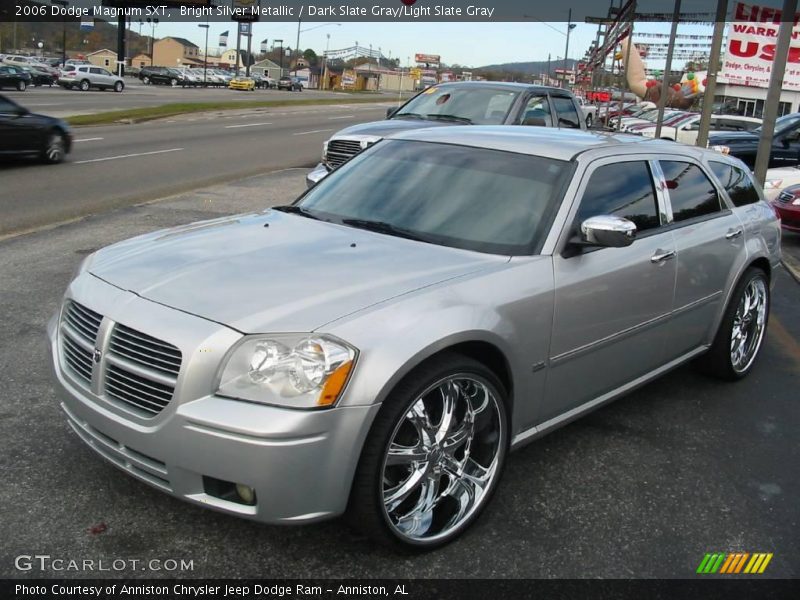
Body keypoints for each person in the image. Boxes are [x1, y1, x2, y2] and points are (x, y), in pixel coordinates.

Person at [619, 37, 699, 109]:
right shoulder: (671, 95)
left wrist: (653, 103)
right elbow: (658, 88)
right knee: (635, 75)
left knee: (635, 72)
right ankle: (626, 42)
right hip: (645, 88)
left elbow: (662, 99)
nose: (678, 101)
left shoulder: (672, 99)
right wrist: (655, 103)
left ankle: (626, 43)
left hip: (645, 89)